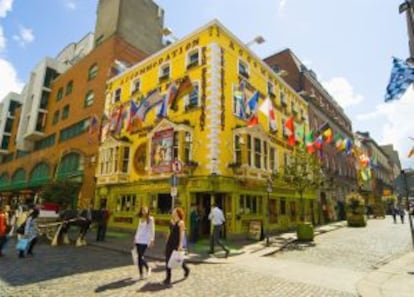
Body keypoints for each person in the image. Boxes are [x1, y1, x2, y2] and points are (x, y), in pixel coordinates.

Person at [163, 207, 190, 286]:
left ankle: (186, 269)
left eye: (174, 211)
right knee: (167, 260)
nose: (172, 212)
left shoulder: (181, 223)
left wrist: (180, 245)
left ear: (178, 213)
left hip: (176, 243)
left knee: (178, 260)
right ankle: (168, 278)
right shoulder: (171, 221)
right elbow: (169, 232)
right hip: (170, 243)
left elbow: (182, 234)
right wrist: (166, 241)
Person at [133, 206, 155, 280]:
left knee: (140, 257)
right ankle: (141, 274)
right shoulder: (140, 219)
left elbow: (152, 230)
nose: (144, 211)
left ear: (148, 211)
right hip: (138, 240)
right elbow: (138, 230)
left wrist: (152, 240)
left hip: (145, 240)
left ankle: (147, 268)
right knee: (139, 257)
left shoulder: (150, 219)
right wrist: (135, 239)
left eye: (145, 210)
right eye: (143, 210)